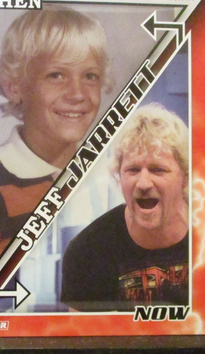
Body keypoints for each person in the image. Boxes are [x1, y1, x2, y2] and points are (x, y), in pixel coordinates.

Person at [0, 7, 111, 268]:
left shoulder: (113, 173)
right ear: (14, 87)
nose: (77, 94)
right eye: (56, 75)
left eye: (90, 76)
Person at [61, 104, 189, 311]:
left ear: (185, 178)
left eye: (158, 169)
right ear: (119, 176)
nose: (143, 183)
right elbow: (79, 331)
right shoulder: (87, 252)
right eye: (133, 169)